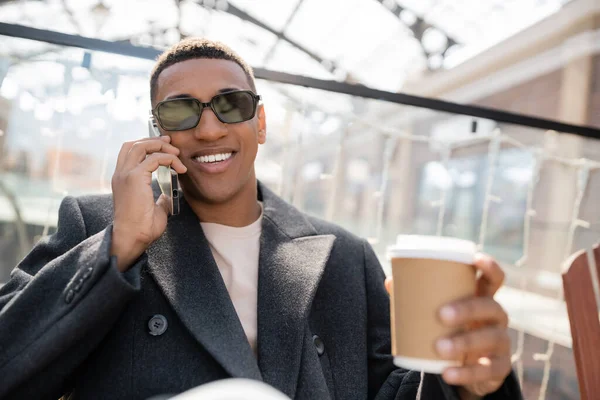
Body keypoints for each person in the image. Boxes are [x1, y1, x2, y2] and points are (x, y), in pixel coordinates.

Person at [0, 38, 521, 400]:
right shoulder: (97, 227)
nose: (208, 130)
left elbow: (401, 393)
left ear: (261, 121)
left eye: (231, 104)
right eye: (182, 111)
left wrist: (470, 384)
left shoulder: (342, 255)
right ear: (157, 130)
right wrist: (118, 245)